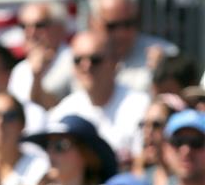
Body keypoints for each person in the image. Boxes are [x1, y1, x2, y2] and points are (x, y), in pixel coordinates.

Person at [49, 30, 150, 166]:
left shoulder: (140, 106)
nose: (86, 66)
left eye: (95, 60)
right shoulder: (63, 112)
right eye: (78, 60)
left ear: (114, 63)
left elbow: (143, 163)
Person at [88, 0, 179, 93]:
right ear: (93, 23)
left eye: (128, 24)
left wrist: (165, 78)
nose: (121, 33)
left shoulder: (166, 55)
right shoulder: (79, 59)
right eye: (112, 26)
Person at [8, 1, 73, 110]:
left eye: (39, 25)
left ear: (60, 27)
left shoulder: (77, 60)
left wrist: (36, 76)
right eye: (23, 26)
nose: (30, 32)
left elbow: (56, 109)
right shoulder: (20, 70)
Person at [131, 95, 182, 185]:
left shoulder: (189, 180)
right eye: (143, 125)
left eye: (156, 125)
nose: (147, 132)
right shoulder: (143, 179)